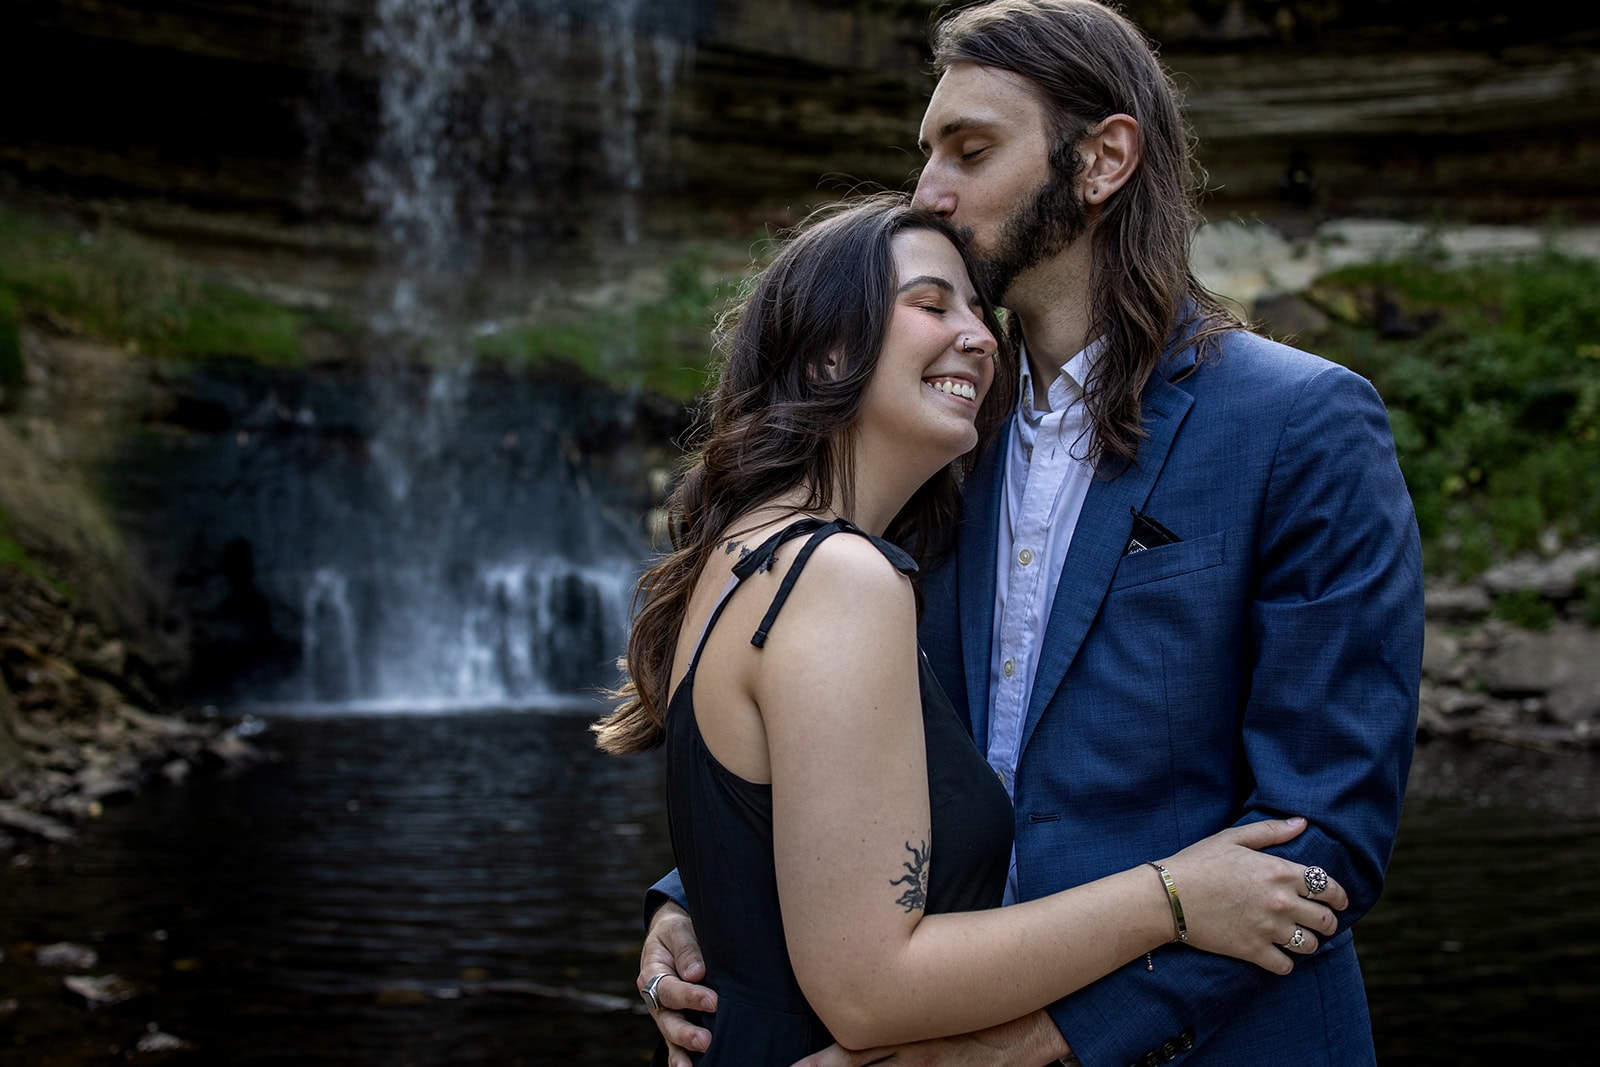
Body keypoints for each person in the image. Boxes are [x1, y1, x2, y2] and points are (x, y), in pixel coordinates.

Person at [634, 2, 1425, 1066]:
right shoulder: (940, 429)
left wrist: (1025, 1040)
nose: (929, 192)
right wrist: (706, 899)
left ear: (1100, 161)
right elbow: (843, 710)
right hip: (918, 1006)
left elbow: (1320, 840)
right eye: (926, 154)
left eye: (969, 149)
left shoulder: (1300, 422)